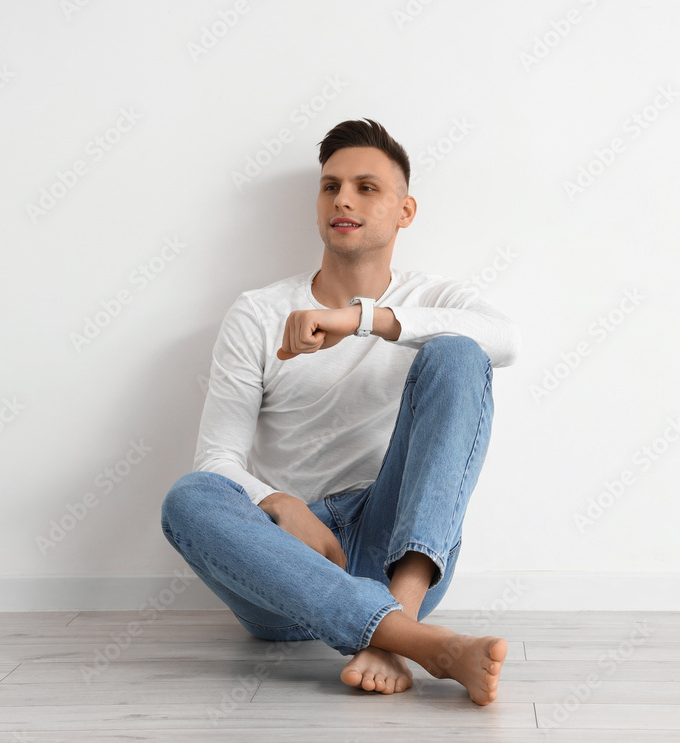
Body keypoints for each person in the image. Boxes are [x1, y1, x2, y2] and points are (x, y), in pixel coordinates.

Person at [161, 118, 519, 705]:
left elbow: (507, 340)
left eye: (366, 187)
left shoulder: (434, 300)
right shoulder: (257, 313)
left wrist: (361, 318)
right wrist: (280, 504)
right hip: (285, 564)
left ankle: (394, 619)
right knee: (189, 498)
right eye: (330, 186)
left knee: (458, 353)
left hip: (393, 550)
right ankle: (421, 643)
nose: (343, 199)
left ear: (405, 211)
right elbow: (217, 459)